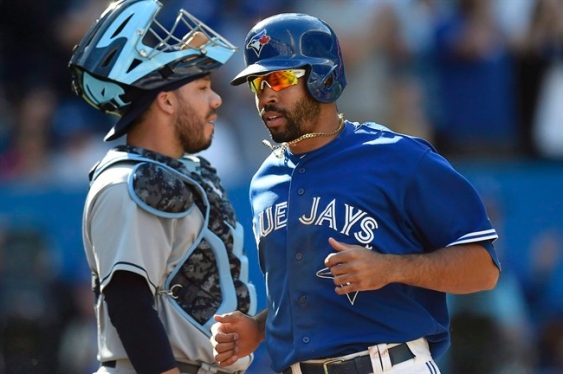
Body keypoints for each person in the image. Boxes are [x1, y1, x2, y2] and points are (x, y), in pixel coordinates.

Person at [210, 13, 501, 374]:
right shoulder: (265, 180)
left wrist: (390, 268)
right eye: (257, 83)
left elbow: (483, 268)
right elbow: (306, 294)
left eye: (280, 77)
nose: (266, 94)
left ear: (323, 77)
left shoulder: (396, 157)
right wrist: (259, 327)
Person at [68, 1, 257, 373]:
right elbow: (129, 302)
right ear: (167, 100)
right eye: (202, 87)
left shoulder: (177, 172)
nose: (216, 99)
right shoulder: (132, 180)